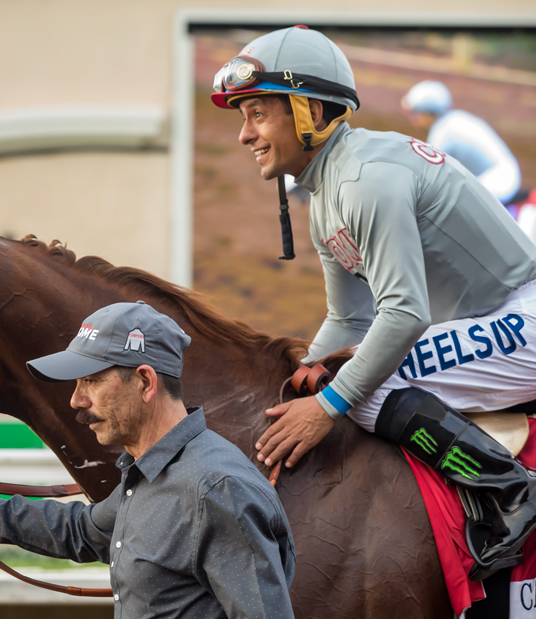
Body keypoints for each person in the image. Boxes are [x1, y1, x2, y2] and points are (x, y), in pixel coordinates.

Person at [211, 25, 536, 578]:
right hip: (496, 317)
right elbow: (348, 317)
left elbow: (405, 314)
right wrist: (293, 381)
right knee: (336, 376)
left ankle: (509, 491)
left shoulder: (364, 178)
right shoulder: (327, 191)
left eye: (258, 113)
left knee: (360, 389)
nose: (245, 134)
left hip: (522, 316)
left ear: (309, 111)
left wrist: (326, 404)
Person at [0, 301, 295, 618]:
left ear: (145, 382)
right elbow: (81, 531)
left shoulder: (218, 490)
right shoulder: (149, 471)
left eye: (92, 381)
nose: (76, 400)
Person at [402, 80, 521, 205]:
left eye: (414, 114)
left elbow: (428, 173)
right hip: (501, 178)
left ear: (428, 114)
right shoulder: (454, 119)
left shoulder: (443, 131)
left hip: (499, 184)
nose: (413, 121)